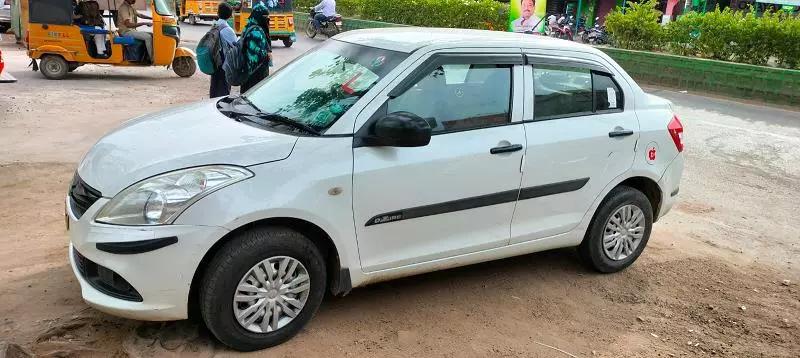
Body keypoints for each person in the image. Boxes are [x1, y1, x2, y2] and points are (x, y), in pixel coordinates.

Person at [240, 3, 273, 92]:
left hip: (246, 71)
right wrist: (267, 55)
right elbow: (256, 56)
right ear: (259, 17)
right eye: (265, 17)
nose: (267, 19)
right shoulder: (257, 32)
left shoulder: (248, 27)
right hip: (255, 74)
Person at [210, 2, 238, 98]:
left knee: (214, 87)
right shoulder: (228, 29)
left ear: (218, 13)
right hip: (224, 64)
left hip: (214, 61)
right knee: (223, 90)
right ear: (230, 15)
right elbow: (235, 45)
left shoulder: (214, 26)